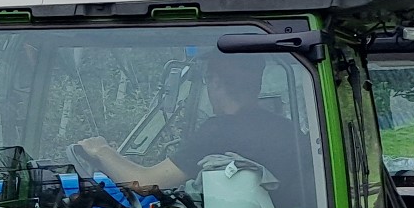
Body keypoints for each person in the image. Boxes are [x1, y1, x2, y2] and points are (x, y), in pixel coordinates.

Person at [75, 55, 303, 197]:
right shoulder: (287, 130)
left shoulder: (219, 132)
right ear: (257, 83)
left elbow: (146, 184)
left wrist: (101, 151)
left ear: (214, 82)